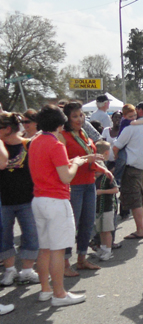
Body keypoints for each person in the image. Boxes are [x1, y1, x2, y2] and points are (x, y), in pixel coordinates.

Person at [28, 105, 88, 307]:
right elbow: (66, 176)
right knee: (57, 250)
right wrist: (76, 164)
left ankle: (46, 289)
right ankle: (59, 293)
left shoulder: (35, 141)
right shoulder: (56, 144)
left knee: (44, 248)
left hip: (39, 199)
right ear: (61, 124)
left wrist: (71, 162)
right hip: (56, 200)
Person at [62, 101, 112, 274]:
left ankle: (82, 259)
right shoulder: (63, 136)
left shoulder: (84, 133)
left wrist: (101, 168)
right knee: (71, 225)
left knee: (88, 224)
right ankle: (65, 264)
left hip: (89, 183)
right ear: (67, 119)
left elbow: (89, 158)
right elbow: (62, 163)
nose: (79, 119)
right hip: (73, 186)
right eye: (74, 116)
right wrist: (88, 160)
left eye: (81, 115)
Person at [0, 113, 38, 287]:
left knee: (31, 234)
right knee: (4, 236)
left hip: (28, 199)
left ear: (7, 129)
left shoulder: (29, 145)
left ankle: (27, 270)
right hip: (4, 201)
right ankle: (9, 270)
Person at [114, 102, 143, 239]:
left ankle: (140, 230)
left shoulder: (130, 128)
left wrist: (116, 161)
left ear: (139, 110)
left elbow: (117, 146)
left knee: (135, 200)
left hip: (132, 168)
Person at [93, 141, 118, 261]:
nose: (95, 172)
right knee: (101, 230)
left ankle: (108, 250)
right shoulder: (94, 179)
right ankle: (103, 249)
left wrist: (101, 192)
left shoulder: (107, 177)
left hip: (107, 207)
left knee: (106, 230)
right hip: (98, 208)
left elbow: (115, 190)